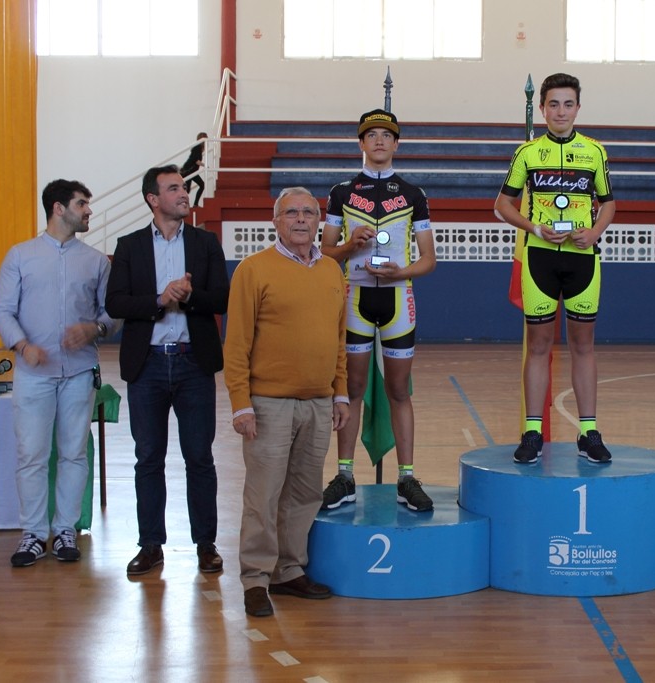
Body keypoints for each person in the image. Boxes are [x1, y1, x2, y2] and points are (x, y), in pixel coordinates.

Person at [224, 186, 349, 618]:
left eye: (309, 213)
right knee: (264, 495)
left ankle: (289, 570)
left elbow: (338, 340)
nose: (300, 219)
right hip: (268, 404)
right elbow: (236, 343)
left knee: (303, 494)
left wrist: (341, 391)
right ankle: (256, 578)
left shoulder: (333, 271)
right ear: (275, 222)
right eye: (291, 212)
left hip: (317, 404)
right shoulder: (253, 270)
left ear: (320, 221)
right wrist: (241, 403)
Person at [106, 164, 230, 575]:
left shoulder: (206, 242)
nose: (183, 193)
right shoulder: (129, 246)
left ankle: (206, 544)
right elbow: (116, 304)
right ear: (153, 199)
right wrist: (160, 299)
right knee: (148, 459)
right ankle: (151, 545)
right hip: (148, 365)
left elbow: (222, 298)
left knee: (200, 457)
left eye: (183, 187)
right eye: (173, 188)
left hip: (195, 363)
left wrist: (189, 297)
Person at [0, 179, 118, 567]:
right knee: (31, 454)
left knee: (73, 453)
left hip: (80, 373)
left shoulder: (96, 261)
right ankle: (32, 534)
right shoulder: (20, 256)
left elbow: (112, 314)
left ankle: (65, 529)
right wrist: (21, 345)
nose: (88, 211)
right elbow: (2, 310)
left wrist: (94, 329)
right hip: (33, 374)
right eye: (82, 204)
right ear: (58, 208)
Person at [493, 73, 616, 465]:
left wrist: (594, 231)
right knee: (540, 346)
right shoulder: (526, 153)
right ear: (542, 108)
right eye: (553, 104)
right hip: (539, 258)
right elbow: (503, 205)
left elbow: (608, 202)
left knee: (583, 346)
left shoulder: (595, 152)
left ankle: (588, 431)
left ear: (578, 107)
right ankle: (532, 432)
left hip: (583, 259)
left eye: (568, 104)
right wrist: (533, 227)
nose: (560, 111)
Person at [319, 109, 437, 512]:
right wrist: (351, 246)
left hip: (397, 296)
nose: (380, 141)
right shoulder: (341, 192)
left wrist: (399, 272)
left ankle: (406, 476)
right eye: (372, 135)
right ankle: (346, 475)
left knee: (399, 391)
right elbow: (325, 255)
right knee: (351, 391)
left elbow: (428, 260)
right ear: (361, 143)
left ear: (397, 143)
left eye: (388, 135)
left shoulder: (413, 194)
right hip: (354, 297)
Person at [180, 132, 208, 208]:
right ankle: (180, 204)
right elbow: (196, 161)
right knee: (187, 190)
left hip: (192, 172)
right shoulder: (197, 147)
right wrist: (206, 165)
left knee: (200, 185)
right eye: (206, 138)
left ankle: (195, 204)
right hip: (188, 171)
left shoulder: (199, 148)